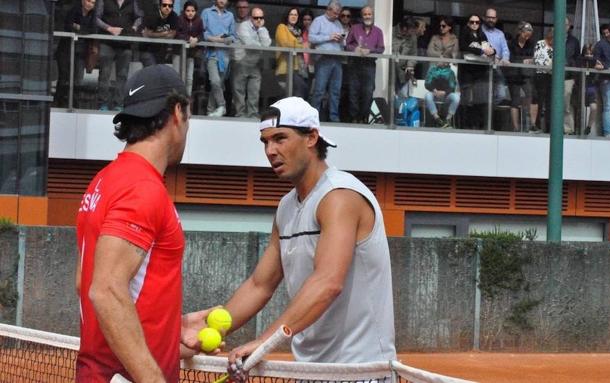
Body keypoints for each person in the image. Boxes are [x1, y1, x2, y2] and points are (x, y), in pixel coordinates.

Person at [183, 97, 396, 374]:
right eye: (265, 142)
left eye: (280, 138)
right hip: (309, 370)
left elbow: (328, 282)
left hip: (360, 371)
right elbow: (260, 285)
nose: (270, 150)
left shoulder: (340, 196)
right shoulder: (286, 207)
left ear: (311, 138)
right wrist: (209, 327)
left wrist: (264, 342)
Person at [75, 64, 209, 382]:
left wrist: (169, 329)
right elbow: (106, 290)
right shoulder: (142, 188)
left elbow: (86, 280)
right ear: (177, 112)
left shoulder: (105, 180)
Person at [96, 0, 144, 111]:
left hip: (125, 42)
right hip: (107, 40)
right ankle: (102, 103)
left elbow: (139, 17)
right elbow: (96, 18)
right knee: (104, 73)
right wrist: (109, 28)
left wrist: (133, 28)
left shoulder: (132, 2)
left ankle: (119, 103)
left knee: (122, 75)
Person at [345, 6, 385, 123]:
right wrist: (355, 49)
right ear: (362, 16)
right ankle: (353, 117)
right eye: (365, 14)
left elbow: (381, 49)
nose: (367, 16)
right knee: (353, 91)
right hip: (355, 64)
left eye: (369, 14)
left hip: (369, 65)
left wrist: (370, 51)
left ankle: (363, 118)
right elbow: (347, 45)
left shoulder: (378, 31)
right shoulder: (355, 28)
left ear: (372, 16)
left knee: (368, 92)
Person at [54, 0, 97, 108]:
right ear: (83, 1)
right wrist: (83, 29)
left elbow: (93, 30)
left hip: (81, 51)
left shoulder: (93, 14)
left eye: (92, 3)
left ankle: (75, 104)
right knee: (64, 77)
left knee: (77, 80)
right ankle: (60, 102)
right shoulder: (74, 10)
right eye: (88, 1)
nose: (89, 4)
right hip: (65, 49)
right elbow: (68, 26)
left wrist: (78, 27)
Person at [308, 1, 345, 122]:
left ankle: (334, 117)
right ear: (328, 10)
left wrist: (341, 40)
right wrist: (329, 37)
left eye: (338, 14)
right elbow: (311, 38)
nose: (336, 16)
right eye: (335, 13)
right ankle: (314, 117)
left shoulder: (338, 23)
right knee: (319, 90)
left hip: (337, 59)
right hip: (323, 58)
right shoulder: (318, 21)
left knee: (336, 91)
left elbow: (343, 42)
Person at [231, 7, 272, 118]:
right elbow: (249, 43)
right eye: (256, 17)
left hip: (256, 64)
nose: (258, 20)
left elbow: (267, 44)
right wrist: (260, 45)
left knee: (254, 91)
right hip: (241, 62)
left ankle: (252, 115)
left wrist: (261, 29)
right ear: (250, 17)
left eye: (261, 18)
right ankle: (240, 114)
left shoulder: (262, 29)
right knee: (239, 91)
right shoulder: (244, 26)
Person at [458, 14, 495, 130]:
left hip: (479, 72)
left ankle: (476, 125)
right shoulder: (464, 32)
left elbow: (487, 47)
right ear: (468, 23)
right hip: (467, 71)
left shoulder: (481, 34)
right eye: (472, 22)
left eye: (477, 22)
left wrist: (493, 51)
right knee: (466, 100)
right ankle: (464, 125)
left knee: (478, 100)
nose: (474, 24)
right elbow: (463, 46)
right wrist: (480, 51)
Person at [201, 0, 236, 117]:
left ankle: (210, 111)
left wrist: (224, 39)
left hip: (225, 56)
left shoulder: (230, 15)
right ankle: (222, 105)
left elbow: (233, 36)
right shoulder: (206, 12)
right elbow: (202, 33)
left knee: (218, 86)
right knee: (214, 81)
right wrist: (216, 39)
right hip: (211, 53)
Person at [506, 21, 537, 132]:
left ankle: (532, 124)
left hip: (526, 74)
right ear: (520, 32)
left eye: (529, 33)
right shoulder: (511, 43)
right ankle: (516, 127)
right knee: (515, 100)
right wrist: (523, 60)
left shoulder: (531, 43)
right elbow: (510, 58)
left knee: (532, 95)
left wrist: (529, 60)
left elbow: (534, 57)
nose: (527, 36)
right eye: (525, 33)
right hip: (513, 74)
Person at [275, 7, 309, 99]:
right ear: (287, 15)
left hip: (298, 69)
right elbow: (285, 44)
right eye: (291, 14)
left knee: (298, 95)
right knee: (287, 97)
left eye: (296, 15)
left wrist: (301, 45)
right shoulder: (282, 27)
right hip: (285, 68)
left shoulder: (298, 31)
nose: (294, 17)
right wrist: (302, 46)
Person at [174, 0, 204, 96]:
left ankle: (187, 99)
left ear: (196, 11)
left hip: (191, 53)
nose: (190, 13)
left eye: (192, 11)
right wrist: (189, 38)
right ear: (184, 11)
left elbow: (202, 34)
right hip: (178, 52)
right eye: (188, 10)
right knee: (177, 76)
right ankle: (176, 98)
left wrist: (196, 39)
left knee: (189, 78)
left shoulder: (199, 20)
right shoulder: (179, 19)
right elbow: (177, 34)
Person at [481, 8, 510, 105]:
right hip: (482, 68)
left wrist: (505, 59)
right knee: (483, 97)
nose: (491, 20)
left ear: (496, 19)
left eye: (493, 18)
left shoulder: (500, 34)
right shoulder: (479, 31)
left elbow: (505, 50)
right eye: (489, 17)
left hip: (496, 68)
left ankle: (490, 112)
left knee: (501, 94)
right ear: (484, 18)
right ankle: (485, 114)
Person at [423, 54, 460, 128]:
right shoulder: (432, 69)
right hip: (434, 93)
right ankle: (437, 119)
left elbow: (452, 87)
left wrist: (445, 92)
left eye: (440, 59)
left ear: (446, 63)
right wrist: (434, 90)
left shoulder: (450, 72)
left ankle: (447, 120)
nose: (438, 60)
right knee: (427, 96)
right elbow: (427, 83)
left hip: (446, 95)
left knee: (456, 97)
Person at [140, 0, 178, 66]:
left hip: (162, 51)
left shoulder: (174, 16)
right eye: (164, 5)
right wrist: (163, 34)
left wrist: (155, 34)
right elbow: (147, 34)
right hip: (147, 50)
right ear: (160, 6)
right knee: (152, 71)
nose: (167, 7)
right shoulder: (152, 15)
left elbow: (172, 34)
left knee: (159, 72)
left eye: (170, 6)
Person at [533, 28, 554, 133]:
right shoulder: (540, 43)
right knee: (540, 100)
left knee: (550, 102)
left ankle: (549, 127)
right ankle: (537, 125)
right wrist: (548, 66)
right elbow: (537, 60)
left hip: (551, 76)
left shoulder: (557, 46)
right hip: (540, 75)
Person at [392, 16, 421, 90]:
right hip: (390, 70)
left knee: (402, 95)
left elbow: (413, 54)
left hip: (403, 73)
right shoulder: (391, 32)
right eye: (412, 31)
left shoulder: (413, 37)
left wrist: (410, 66)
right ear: (405, 28)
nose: (413, 33)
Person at [564, 17, 581, 134]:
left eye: (566, 24)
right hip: (551, 76)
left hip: (568, 76)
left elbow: (577, 58)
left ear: (569, 26)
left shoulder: (574, 41)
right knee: (551, 102)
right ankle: (550, 127)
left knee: (566, 101)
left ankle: (568, 129)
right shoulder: (551, 38)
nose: (563, 26)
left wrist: (574, 73)